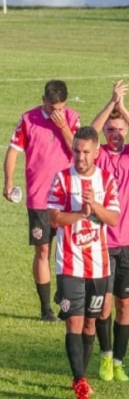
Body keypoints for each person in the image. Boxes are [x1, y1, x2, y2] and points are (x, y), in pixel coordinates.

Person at [46, 126, 119, 399]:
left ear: (96, 152)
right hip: (70, 266)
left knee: (91, 325)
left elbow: (112, 218)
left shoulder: (107, 181)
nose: (80, 157)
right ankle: (79, 381)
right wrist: (79, 213)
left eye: (86, 152)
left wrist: (94, 207)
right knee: (74, 323)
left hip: (99, 268)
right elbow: (54, 217)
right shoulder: (63, 179)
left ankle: (82, 376)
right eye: (76, 151)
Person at [3, 80, 79, 321]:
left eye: (60, 106)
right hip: (39, 198)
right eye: (51, 106)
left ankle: (66, 302)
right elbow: (13, 151)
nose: (55, 111)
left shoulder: (72, 117)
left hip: (68, 197)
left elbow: (77, 150)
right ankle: (46, 308)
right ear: (43, 99)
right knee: (43, 250)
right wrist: (8, 182)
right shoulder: (28, 119)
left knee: (69, 250)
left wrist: (64, 127)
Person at [89, 80, 129, 382]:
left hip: (127, 243)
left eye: (121, 130)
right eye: (111, 130)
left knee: (124, 305)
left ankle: (118, 361)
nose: (116, 135)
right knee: (102, 307)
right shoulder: (98, 155)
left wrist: (124, 109)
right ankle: (104, 357)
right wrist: (110, 102)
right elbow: (88, 132)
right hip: (103, 243)